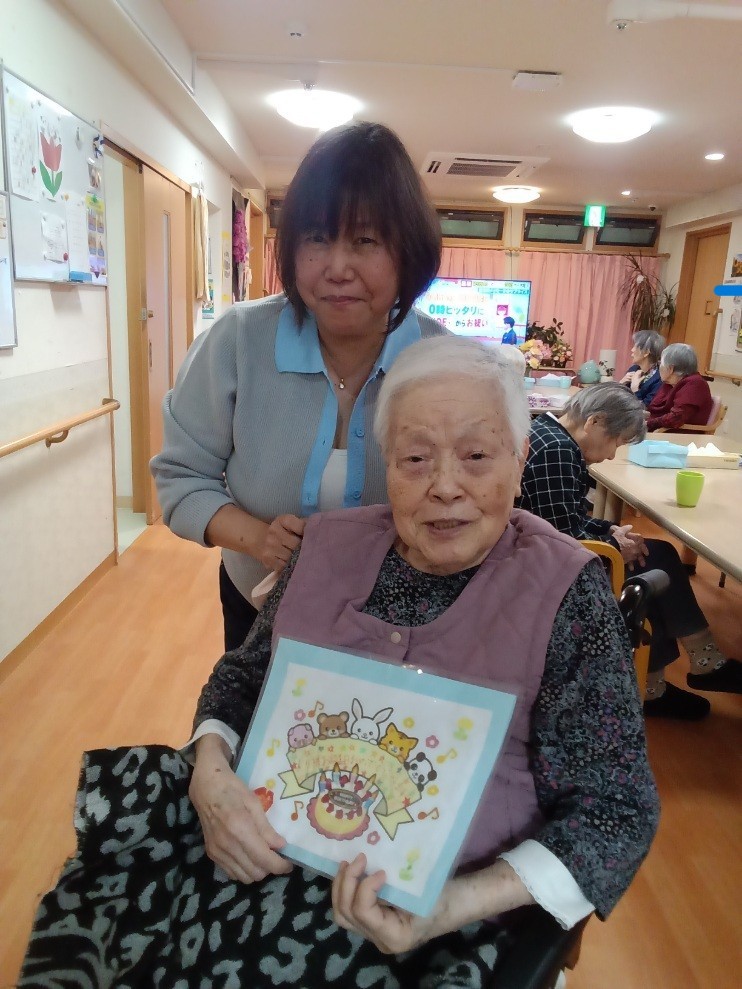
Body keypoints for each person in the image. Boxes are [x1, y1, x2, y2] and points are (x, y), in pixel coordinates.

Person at [21, 338, 659, 988]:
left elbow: (616, 811)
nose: (445, 486)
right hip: (252, 863)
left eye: (476, 456)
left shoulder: (565, 590)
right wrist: (211, 774)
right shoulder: (323, 547)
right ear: (388, 465)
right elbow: (241, 678)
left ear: (519, 460)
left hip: (437, 921)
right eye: (415, 458)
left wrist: (446, 907)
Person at [150, 121, 445, 652]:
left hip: (396, 620)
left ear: (408, 251)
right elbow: (181, 477)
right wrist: (260, 540)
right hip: (257, 603)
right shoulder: (238, 341)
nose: (337, 268)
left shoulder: (442, 362)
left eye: (366, 241)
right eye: (317, 238)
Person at [516, 382, 742, 720]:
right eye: (616, 442)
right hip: (545, 569)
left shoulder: (549, 436)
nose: (611, 455)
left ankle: (663, 681)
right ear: (594, 421)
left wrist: (609, 531)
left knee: (652, 560)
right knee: (657, 562)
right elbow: (563, 539)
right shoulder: (557, 451)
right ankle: (701, 664)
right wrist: (614, 547)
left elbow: (564, 518)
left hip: (538, 554)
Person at [646, 342, 713, 431]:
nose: (659, 367)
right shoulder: (669, 384)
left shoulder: (695, 384)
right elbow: (654, 411)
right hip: (660, 431)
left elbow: (675, 418)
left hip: (677, 435)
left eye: (660, 363)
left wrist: (646, 424)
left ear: (670, 369)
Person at [619, 329, 665, 407]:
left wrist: (635, 389)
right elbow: (618, 399)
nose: (632, 350)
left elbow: (645, 409)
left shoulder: (659, 378)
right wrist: (621, 384)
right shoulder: (633, 369)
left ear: (646, 352)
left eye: (635, 346)